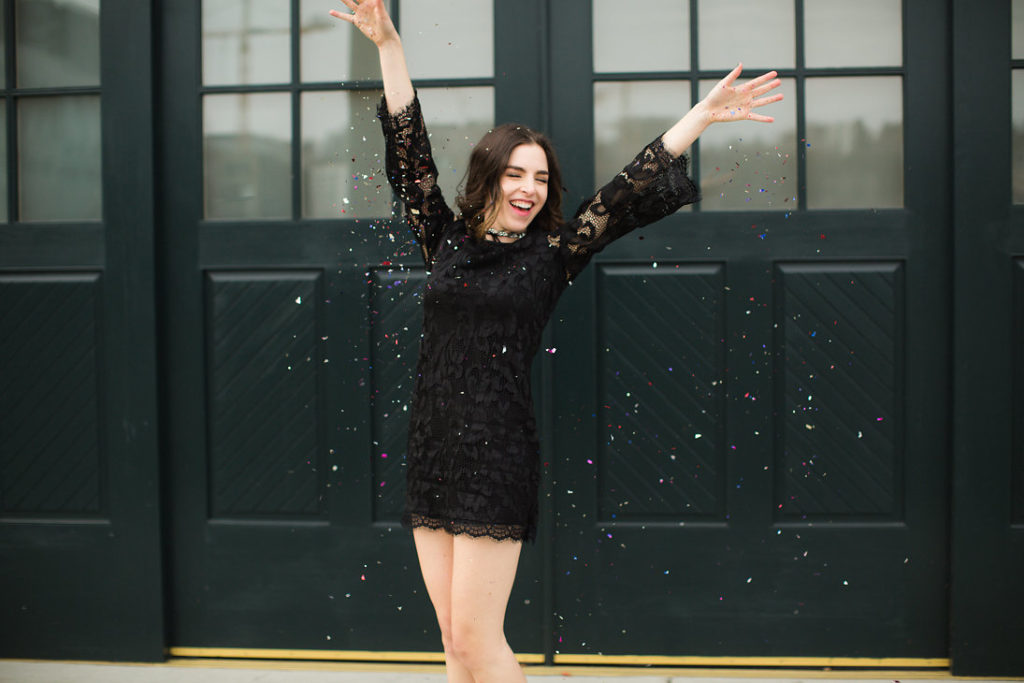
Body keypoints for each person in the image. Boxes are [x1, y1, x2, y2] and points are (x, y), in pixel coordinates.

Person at [331, 2, 783, 680]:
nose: (529, 189)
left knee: (481, 641)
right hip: (432, 445)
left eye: (540, 178)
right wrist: (390, 46)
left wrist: (703, 117)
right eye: (515, 173)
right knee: (453, 642)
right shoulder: (445, 239)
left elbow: (628, 188)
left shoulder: (553, 254)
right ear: (488, 177)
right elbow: (410, 150)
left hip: (496, 454)